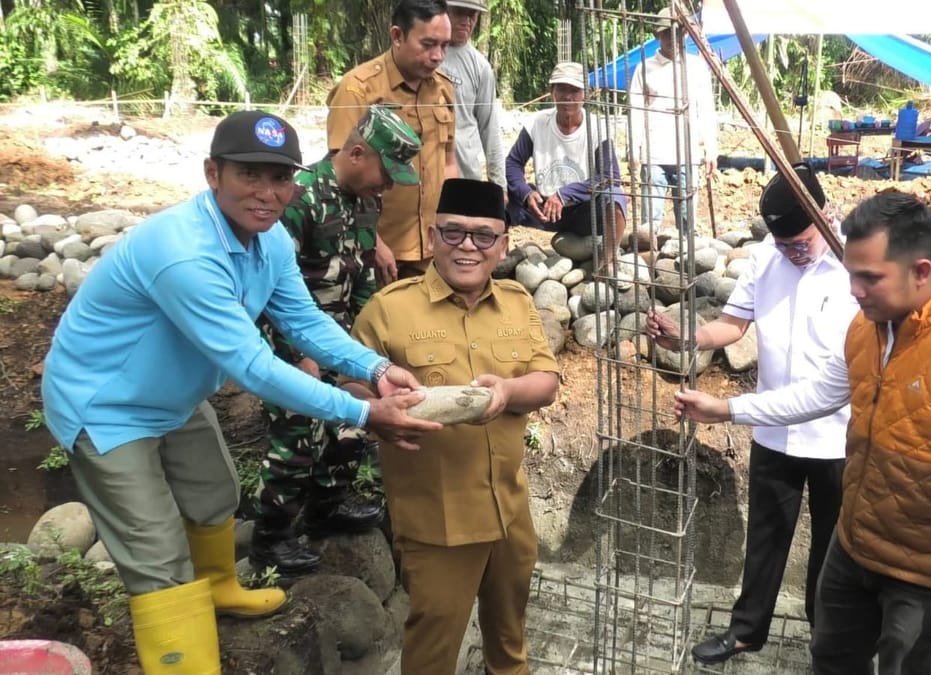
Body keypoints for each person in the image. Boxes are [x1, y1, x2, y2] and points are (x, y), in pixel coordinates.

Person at [40, 110, 440, 674]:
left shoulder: (268, 237)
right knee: (158, 557)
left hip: (172, 396)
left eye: (280, 178)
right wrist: (362, 412)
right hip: (106, 406)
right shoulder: (185, 253)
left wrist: (374, 369)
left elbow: (303, 320)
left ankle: (220, 587)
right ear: (212, 174)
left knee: (215, 491)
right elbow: (251, 365)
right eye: (249, 175)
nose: (267, 192)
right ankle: (186, 662)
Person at [674, 192, 931, 675]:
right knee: (832, 661)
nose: (854, 290)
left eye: (869, 278)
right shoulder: (870, 329)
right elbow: (818, 394)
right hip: (855, 548)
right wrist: (726, 409)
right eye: (852, 273)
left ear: (921, 271)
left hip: (920, 575)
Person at [646, 165, 857, 665]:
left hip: (839, 438)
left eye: (801, 242)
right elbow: (732, 326)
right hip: (774, 430)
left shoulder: (856, 264)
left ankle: (824, 638)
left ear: (827, 216)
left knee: (834, 549)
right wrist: (688, 337)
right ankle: (747, 630)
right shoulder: (766, 259)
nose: (793, 253)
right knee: (766, 536)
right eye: (785, 246)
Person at [349, 178, 561, 675]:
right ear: (431, 235)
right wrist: (379, 415)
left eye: (484, 236)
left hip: (509, 510)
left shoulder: (517, 302)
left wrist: (507, 393)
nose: (468, 246)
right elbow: (350, 389)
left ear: (503, 244)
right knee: (434, 646)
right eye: (453, 232)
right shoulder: (388, 309)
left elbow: (546, 381)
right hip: (436, 520)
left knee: (510, 640)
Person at [250, 105, 423, 576]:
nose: (387, 186)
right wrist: (299, 355)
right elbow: (267, 292)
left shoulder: (367, 201)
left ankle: (328, 507)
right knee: (299, 431)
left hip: (339, 337)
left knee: (354, 422)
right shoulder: (300, 198)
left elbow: (362, 268)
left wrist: (368, 348)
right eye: (386, 174)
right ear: (358, 152)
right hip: (287, 341)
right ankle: (270, 539)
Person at [326, 0, 458, 284]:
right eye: (428, 44)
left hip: (432, 249)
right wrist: (374, 242)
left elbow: (448, 163)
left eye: (445, 46)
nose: (438, 56)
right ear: (397, 36)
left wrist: (452, 230)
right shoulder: (358, 90)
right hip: (377, 253)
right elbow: (338, 179)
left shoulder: (443, 90)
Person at [506, 61, 628, 273]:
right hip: (544, 209)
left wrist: (565, 195)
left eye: (574, 90)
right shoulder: (537, 123)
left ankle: (608, 261)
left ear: (585, 95)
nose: (568, 96)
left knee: (615, 195)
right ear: (552, 92)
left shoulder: (596, 128)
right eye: (562, 89)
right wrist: (526, 193)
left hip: (584, 210)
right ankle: (499, 259)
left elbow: (610, 176)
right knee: (500, 196)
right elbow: (513, 163)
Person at [628, 6, 719, 233]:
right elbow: (636, 110)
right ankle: (651, 263)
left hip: (687, 155)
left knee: (688, 221)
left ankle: (689, 261)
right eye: (667, 33)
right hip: (654, 155)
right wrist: (634, 148)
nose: (673, 38)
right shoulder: (644, 69)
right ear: (657, 36)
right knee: (650, 223)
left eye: (679, 32)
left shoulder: (697, 67)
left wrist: (711, 148)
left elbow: (706, 108)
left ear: (687, 34)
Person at [441, 0, 505, 187]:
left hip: (464, 172)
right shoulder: (423, 55)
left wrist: (499, 185)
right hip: (424, 172)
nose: (467, 21)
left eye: (473, 15)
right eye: (460, 13)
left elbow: (489, 127)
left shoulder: (480, 67)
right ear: (444, 11)